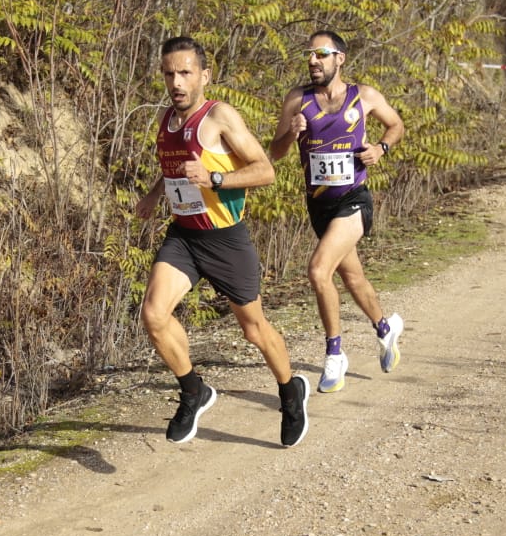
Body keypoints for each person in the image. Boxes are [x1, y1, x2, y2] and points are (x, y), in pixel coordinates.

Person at [136, 36, 312, 447]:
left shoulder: (219, 117)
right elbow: (177, 169)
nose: (176, 82)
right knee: (154, 314)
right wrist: (154, 193)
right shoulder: (167, 119)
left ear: (204, 76)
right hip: (184, 236)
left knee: (254, 330)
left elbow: (264, 171)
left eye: (185, 73)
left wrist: (216, 178)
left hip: (226, 240)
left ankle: (290, 392)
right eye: (169, 74)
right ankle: (194, 391)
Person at [269, 30, 406, 394]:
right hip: (319, 204)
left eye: (322, 54)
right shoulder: (297, 100)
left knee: (318, 270)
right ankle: (385, 327)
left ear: (339, 59)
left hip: (354, 199)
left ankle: (335, 353)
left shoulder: (365, 96)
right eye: (310, 55)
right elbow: (277, 151)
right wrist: (290, 133)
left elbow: (396, 125)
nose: (313, 61)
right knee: (352, 278)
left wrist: (381, 148)